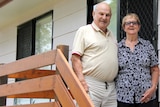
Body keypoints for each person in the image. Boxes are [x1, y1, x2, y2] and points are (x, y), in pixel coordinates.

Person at [71, 1, 118, 107]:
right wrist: (81, 81)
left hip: (110, 87)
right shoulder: (84, 31)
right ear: (93, 14)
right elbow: (75, 58)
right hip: (91, 84)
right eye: (101, 14)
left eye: (107, 15)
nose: (104, 17)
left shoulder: (112, 35)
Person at [115, 13, 159, 107]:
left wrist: (153, 88)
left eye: (134, 23)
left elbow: (155, 69)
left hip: (147, 96)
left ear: (139, 26)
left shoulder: (147, 45)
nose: (131, 25)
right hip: (123, 97)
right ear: (124, 27)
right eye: (128, 23)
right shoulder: (117, 48)